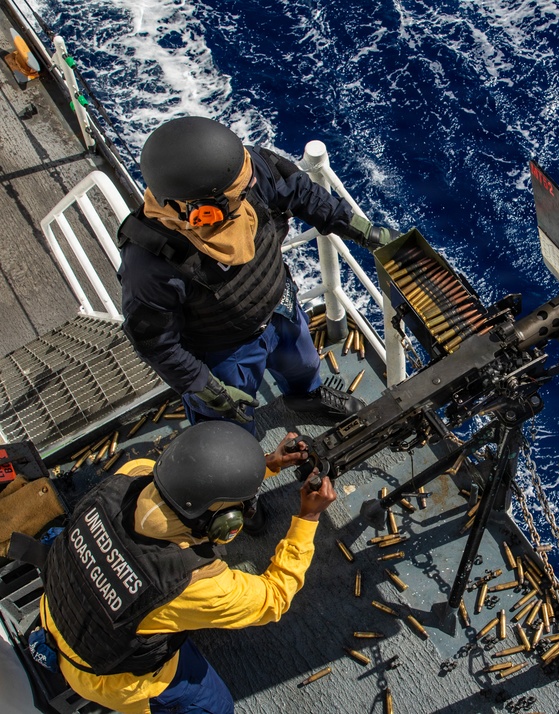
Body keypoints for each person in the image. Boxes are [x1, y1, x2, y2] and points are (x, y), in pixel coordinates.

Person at [117, 115, 398, 435]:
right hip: (223, 349)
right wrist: (206, 388)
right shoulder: (149, 261)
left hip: (281, 306)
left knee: (305, 365)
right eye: (238, 194)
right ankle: (233, 449)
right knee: (228, 422)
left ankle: (305, 398)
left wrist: (362, 230)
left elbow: (300, 192)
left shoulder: (244, 171)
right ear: (199, 210)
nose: (249, 190)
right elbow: (155, 340)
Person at [38, 421, 336, 714]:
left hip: (58, 608)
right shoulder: (192, 584)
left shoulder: (131, 474)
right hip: (104, 675)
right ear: (225, 523)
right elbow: (274, 597)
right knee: (216, 707)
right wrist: (307, 519)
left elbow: (192, 478)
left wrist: (266, 464)